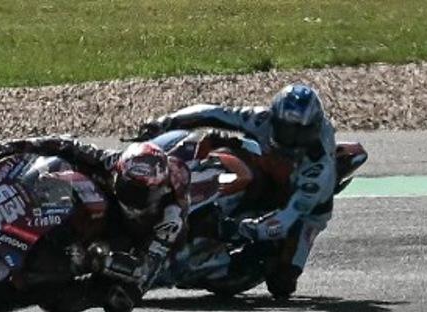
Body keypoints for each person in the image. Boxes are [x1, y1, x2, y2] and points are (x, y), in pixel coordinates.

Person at [136, 83, 336, 298]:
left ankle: (240, 260)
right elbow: (212, 113)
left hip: (306, 208)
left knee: (282, 282)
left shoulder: (318, 167)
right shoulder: (262, 119)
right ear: (275, 121)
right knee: (222, 147)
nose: (295, 140)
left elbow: (287, 219)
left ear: (314, 128)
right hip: (268, 170)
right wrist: (166, 122)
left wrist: (242, 230)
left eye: (303, 133)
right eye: (289, 131)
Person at [0, 137, 190, 312]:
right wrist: (21, 145)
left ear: (159, 190)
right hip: (107, 209)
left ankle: (40, 286)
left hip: (133, 240)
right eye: (127, 186)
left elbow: (146, 269)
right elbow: (70, 145)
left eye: (141, 193)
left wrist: (106, 263)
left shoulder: (170, 215)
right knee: (62, 174)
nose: (132, 197)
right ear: (120, 173)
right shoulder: (116, 162)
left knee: (112, 302)